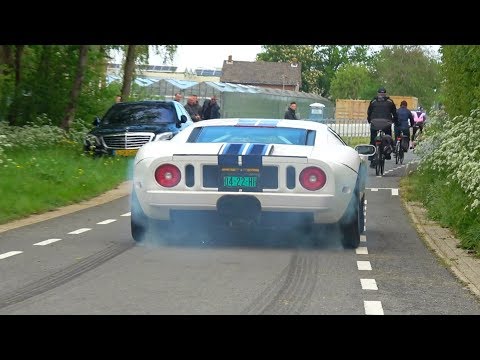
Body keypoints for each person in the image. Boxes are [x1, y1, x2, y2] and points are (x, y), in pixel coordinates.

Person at [367, 87, 397, 167]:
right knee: (388, 137)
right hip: (386, 123)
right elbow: (394, 113)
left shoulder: (373, 101)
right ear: (385, 94)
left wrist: (370, 121)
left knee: (373, 140)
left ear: (378, 94)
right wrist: (395, 121)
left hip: (374, 122)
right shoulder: (390, 102)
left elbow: (369, 112)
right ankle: (387, 151)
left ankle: (371, 157)